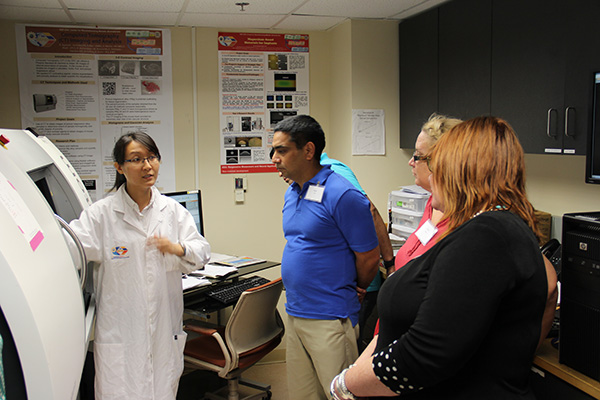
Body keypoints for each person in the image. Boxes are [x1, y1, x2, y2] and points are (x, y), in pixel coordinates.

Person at [331, 116, 550, 399]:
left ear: (462, 172)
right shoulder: (491, 227)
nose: (431, 177)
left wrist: (344, 386)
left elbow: (422, 355)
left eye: (437, 167)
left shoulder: (486, 236)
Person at [70, 131, 211, 400]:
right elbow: (71, 250)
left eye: (152, 157)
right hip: (121, 336)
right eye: (136, 159)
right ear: (119, 167)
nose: (147, 166)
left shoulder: (171, 211)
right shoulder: (101, 215)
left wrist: (178, 248)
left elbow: (202, 252)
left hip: (163, 334)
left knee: (162, 390)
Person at [271, 115, 380, 400]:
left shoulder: (343, 194)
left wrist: (358, 287)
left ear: (308, 150)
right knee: (303, 395)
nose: (274, 158)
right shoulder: (293, 191)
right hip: (296, 311)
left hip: (331, 317)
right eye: (274, 150)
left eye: (282, 150)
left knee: (339, 395)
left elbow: (369, 256)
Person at [394, 114, 462, 273]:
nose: (411, 162)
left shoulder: (462, 219)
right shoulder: (433, 202)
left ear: (440, 162)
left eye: (417, 156)